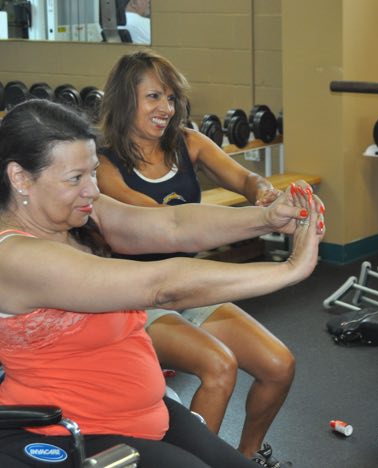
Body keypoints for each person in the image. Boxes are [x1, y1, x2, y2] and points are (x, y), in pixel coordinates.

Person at [0, 99, 324, 467]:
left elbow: (173, 226)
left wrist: (265, 218)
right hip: (73, 433)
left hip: (145, 415)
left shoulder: (78, 214)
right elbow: (161, 286)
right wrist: (288, 270)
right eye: (75, 178)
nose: (92, 189)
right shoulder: (14, 257)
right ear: (21, 178)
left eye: (92, 172)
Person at [95, 50, 318, 466]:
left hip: (192, 286)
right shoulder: (104, 165)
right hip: (138, 297)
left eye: (172, 98)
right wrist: (261, 219)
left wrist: (265, 195)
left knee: (278, 365)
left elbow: (244, 178)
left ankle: (245, 458)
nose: (167, 108)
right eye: (154, 97)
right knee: (219, 367)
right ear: (127, 99)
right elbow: (166, 222)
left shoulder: (189, 142)